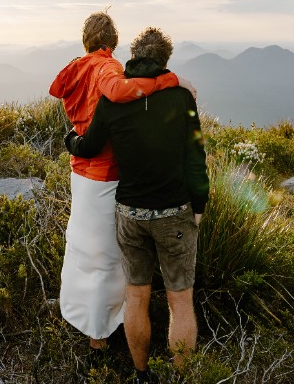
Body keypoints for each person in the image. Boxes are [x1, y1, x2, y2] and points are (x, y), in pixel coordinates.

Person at [65, 26, 209, 384]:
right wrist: (199, 203)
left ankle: (141, 375)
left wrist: (69, 140)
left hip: (129, 212)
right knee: (180, 300)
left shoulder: (113, 99)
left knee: (136, 296)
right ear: (166, 59)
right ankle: (181, 377)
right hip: (174, 212)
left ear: (133, 54)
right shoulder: (181, 98)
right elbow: (195, 155)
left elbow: (90, 145)